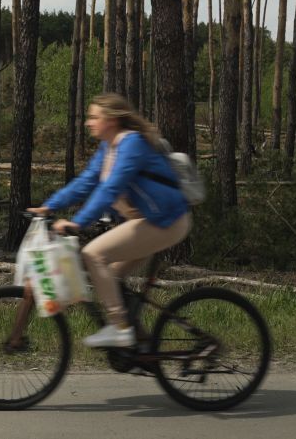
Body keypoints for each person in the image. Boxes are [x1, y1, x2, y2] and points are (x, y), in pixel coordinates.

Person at [25, 93, 191, 348]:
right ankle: (139, 340)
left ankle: (121, 329)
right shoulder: (108, 148)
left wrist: (78, 222)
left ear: (111, 120)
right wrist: (49, 207)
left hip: (166, 221)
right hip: (151, 221)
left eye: (94, 117)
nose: (88, 122)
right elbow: (85, 183)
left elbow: (111, 188)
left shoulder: (132, 143)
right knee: (110, 277)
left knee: (93, 255)